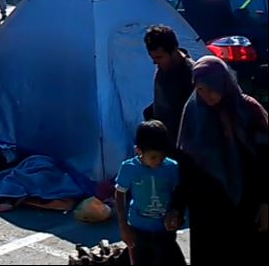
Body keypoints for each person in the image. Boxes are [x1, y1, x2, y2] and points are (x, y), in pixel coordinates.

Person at [174, 56, 268, 264]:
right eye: (200, 89)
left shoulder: (248, 111)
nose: (206, 95)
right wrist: (178, 205)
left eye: (211, 88)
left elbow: (264, 159)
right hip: (206, 208)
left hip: (245, 204)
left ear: (223, 82)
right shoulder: (193, 112)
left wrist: (265, 202)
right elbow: (186, 163)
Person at [115, 120, 186, 265]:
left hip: (164, 231)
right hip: (138, 230)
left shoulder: (171, 167)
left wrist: (175, 212)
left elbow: (179, 193)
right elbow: (119, 194)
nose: (158, 161)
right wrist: (123, 226)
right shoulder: (128, 168)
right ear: (138, 151)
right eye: (153, 157)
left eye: (162, 156)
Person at [143, 26, 194, 144]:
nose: (155, 62)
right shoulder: (162, 69)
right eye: (152, 57)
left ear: (173, 50)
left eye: (159, 57)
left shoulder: (190, 75)